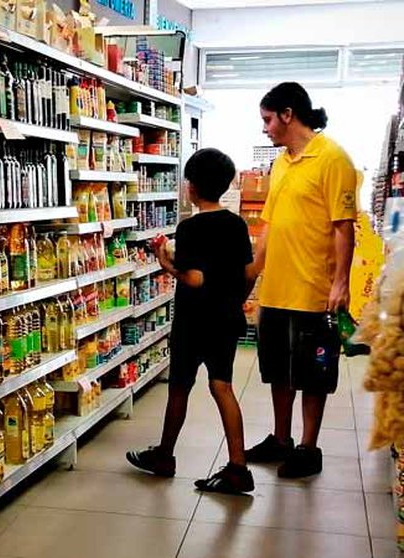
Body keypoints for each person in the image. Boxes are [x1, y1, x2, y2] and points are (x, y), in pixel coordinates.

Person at [126, 147, 256, 494]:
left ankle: (165, 456)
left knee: (180, 387)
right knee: (222, 386)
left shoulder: (190, 227)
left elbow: (195, 279)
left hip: (194, 322)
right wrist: (234, 302)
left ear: (192, 187)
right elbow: (248, 273)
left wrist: (164, 263)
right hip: (226, 319)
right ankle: (238, 467)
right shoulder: (237, 224)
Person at [244, 82, 356, 478]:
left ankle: (309, 447)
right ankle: (281, 439)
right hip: (276, 288)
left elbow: (343, 227)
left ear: (288, 114)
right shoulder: (281, 163)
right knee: (278, 370)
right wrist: (252, 272)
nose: (265, 128)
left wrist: (340, 283)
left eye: (268, 120)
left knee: (313, 373)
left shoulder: (333, 158)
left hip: (313, 290)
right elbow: (270, 225)